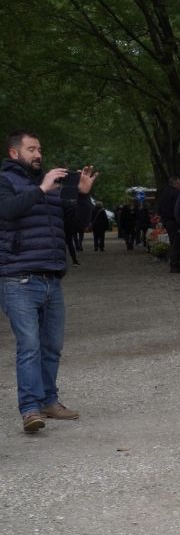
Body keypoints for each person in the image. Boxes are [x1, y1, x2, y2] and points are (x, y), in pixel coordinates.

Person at [0, 130, 95, 433]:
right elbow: (7, 211)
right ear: (14, 153)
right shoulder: (6, 181)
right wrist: (41, 189)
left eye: (39, 149)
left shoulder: (52, 187)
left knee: (52, 345)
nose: (38, 154)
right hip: (18, 277)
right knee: (29, 345)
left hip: (52, 277)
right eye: (31, 149)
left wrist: (82, 195)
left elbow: (78, 223)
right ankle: (30, 409)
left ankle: (48, 401)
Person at [158, 177, 180, 273]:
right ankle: (175, 264)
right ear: (175, 184)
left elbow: (160, 207)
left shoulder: (164, 193)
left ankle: (174, 263)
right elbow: (178, 209)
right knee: (177, 243)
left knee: (173, 242)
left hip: (167, 221)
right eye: (179, 183)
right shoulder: (176, 194)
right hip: (174, 221)